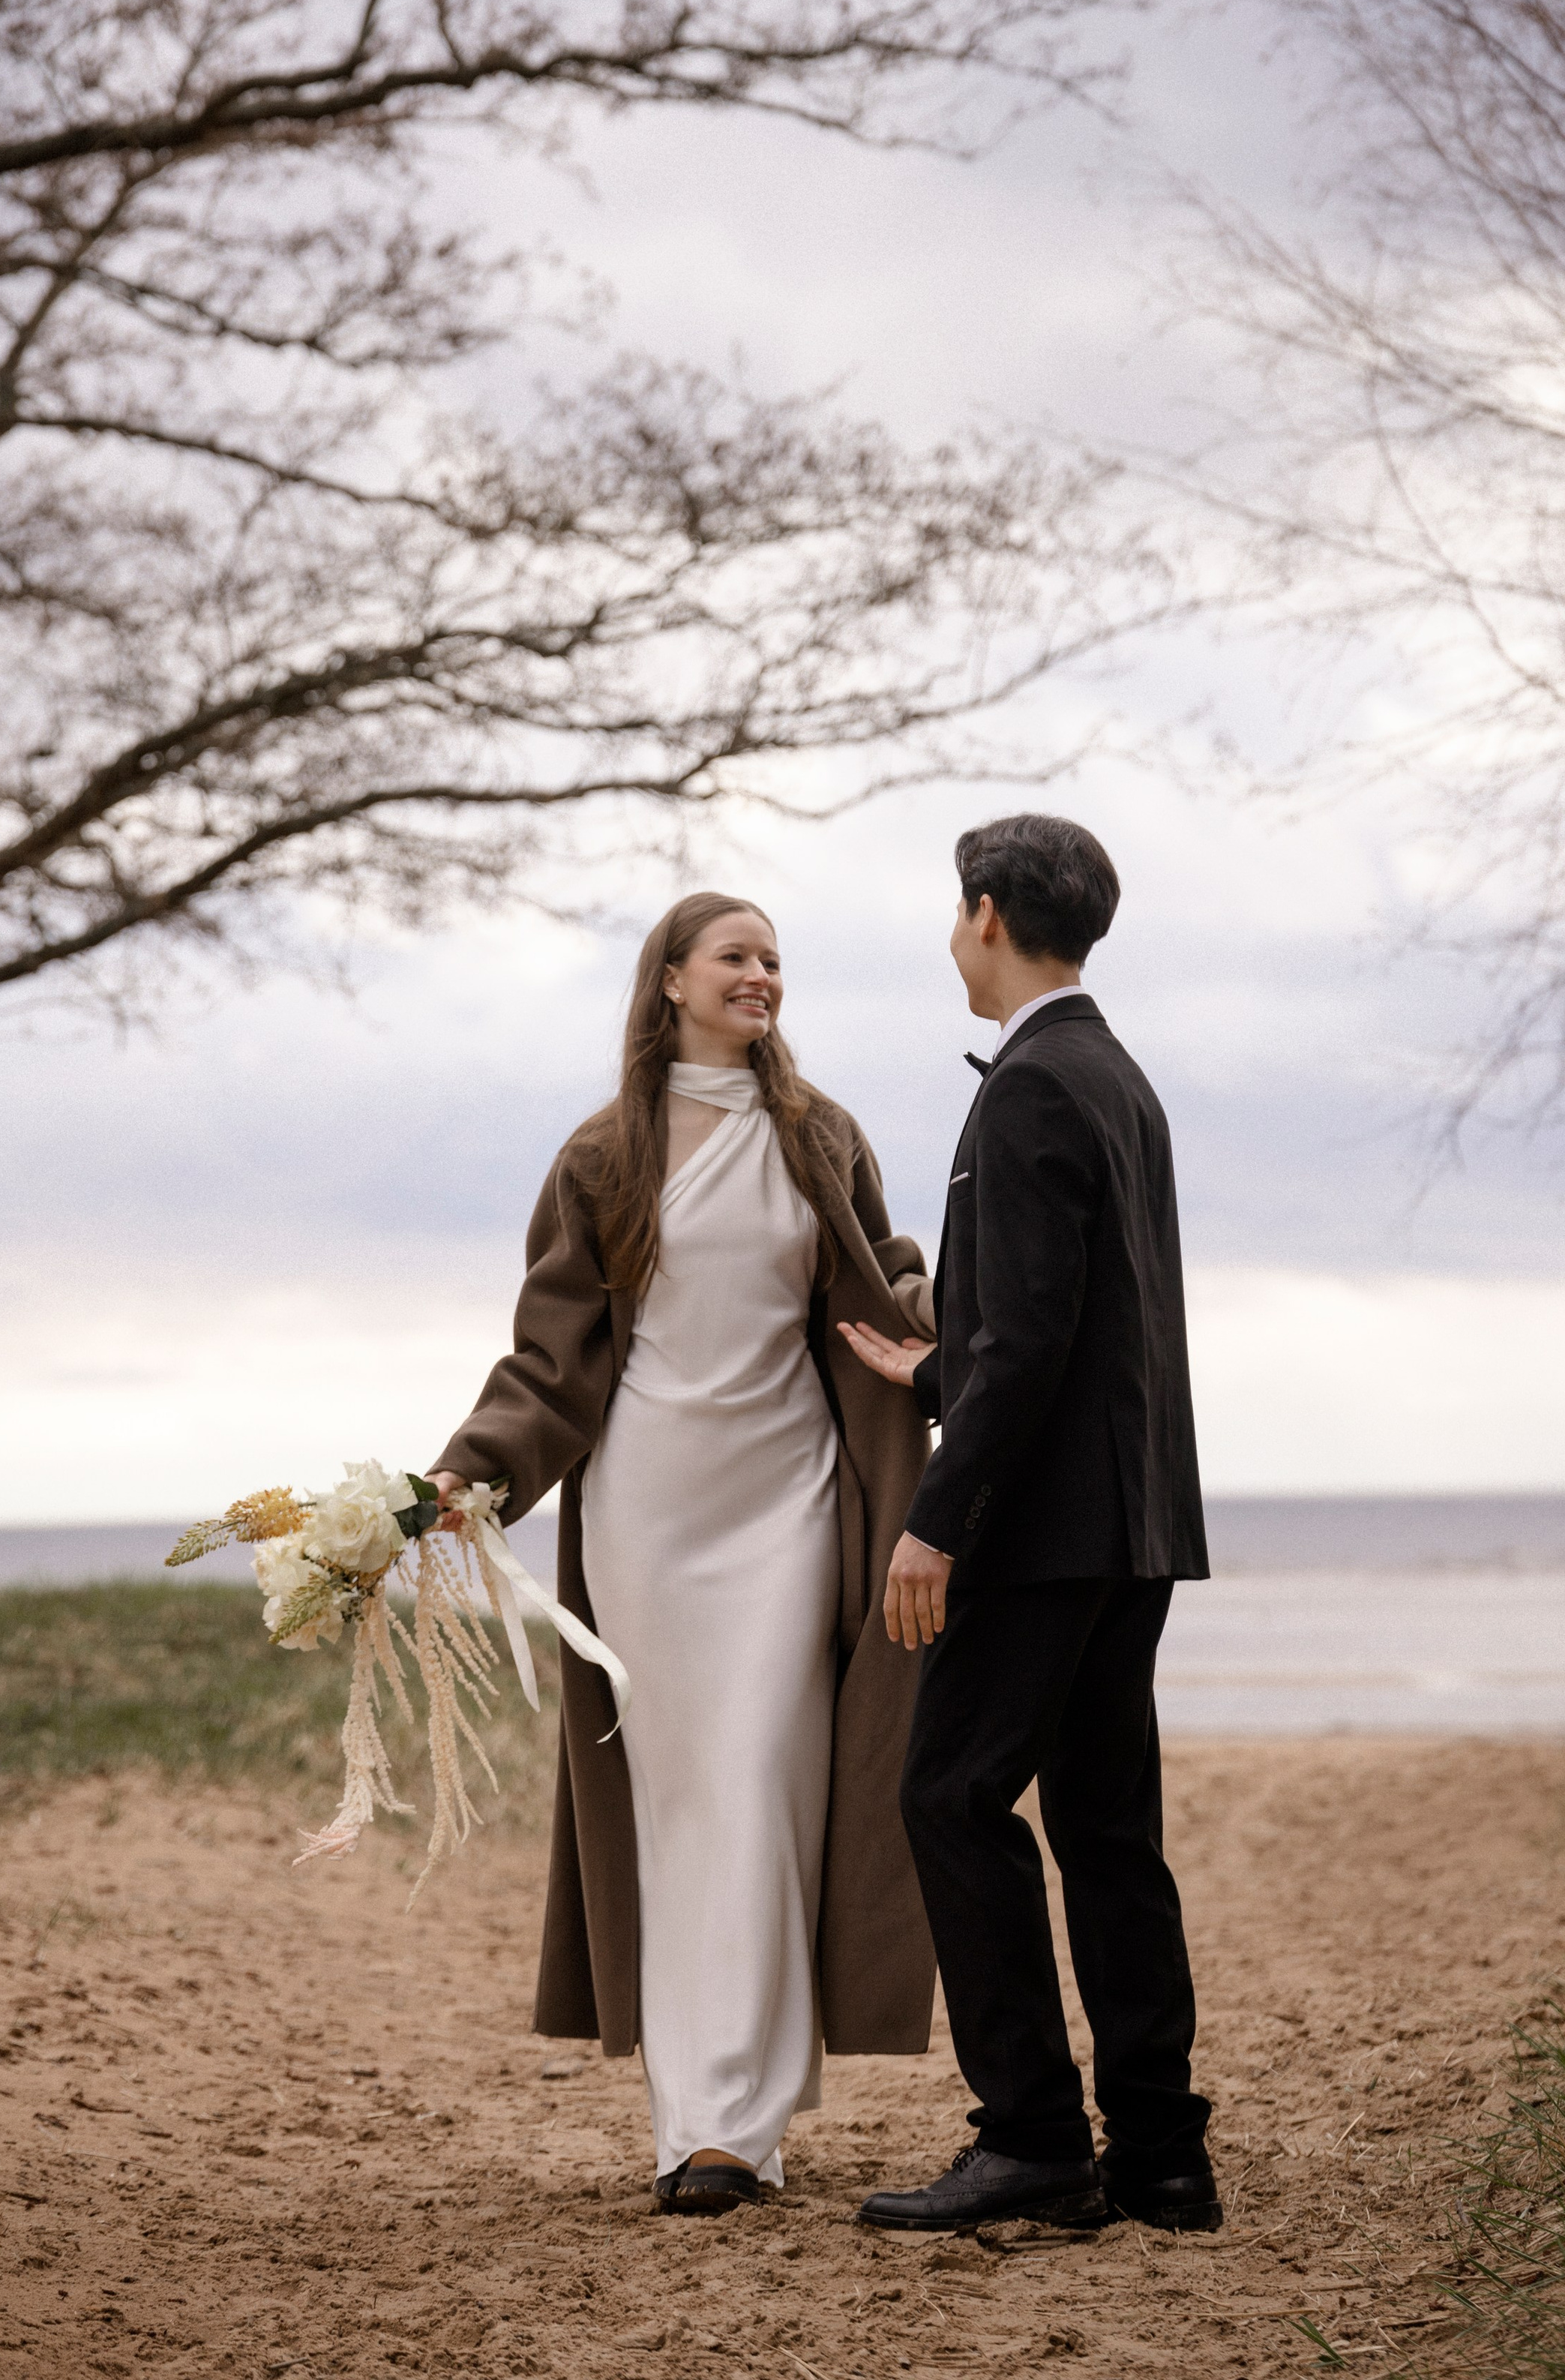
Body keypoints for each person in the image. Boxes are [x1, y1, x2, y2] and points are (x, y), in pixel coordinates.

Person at [427, 890, 938, 2211]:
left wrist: (974, 1323)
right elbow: (551, 1358)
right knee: (677, 1805)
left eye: (776, 956)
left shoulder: (819, 1134)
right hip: (647, 1509)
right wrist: (462, 1476)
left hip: (787, 1501)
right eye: (737, 956)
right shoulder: (604, 1154)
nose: (763, 974)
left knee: (766, 1781)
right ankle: (696, 2128)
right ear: (670, 981)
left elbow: (885, 1284)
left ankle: (742, 2128)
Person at [840, 813, 1217, 2237]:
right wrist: (934, 1364)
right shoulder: (1117, 1076)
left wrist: (938, 1518)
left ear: (989, 912)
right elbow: (1075, 1323)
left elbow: (1039, 1337)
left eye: (955, 911)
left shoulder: (1037, 1084)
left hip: (1044, 1535)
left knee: (948, 1798)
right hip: (1130, 1528)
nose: (950, 934)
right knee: (1111, 1833)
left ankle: (1036, 2140)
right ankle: (1166, 2159)